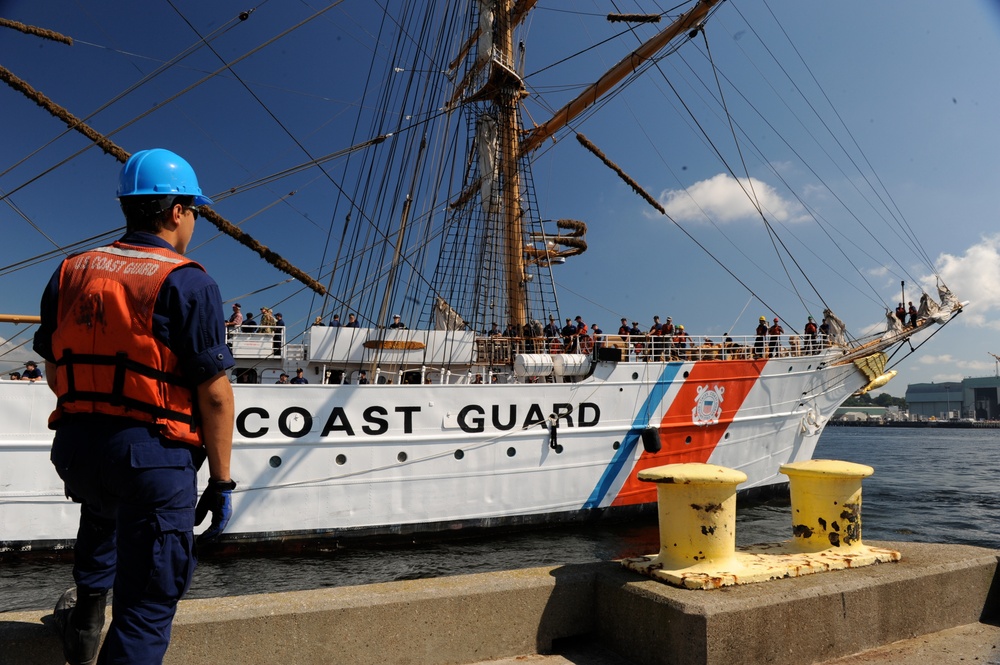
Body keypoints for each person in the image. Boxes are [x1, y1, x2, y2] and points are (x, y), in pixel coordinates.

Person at [33, 148, 235, 665]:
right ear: (175, 212)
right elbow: (213, 393)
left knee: (102, 512)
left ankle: (85, 619)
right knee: (146, 605)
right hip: (150, 457)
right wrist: (220, 481)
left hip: (77, 450)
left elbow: (56, 368)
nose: (194, 222)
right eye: (195, 211)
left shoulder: (71, 270)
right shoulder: (188, 280)